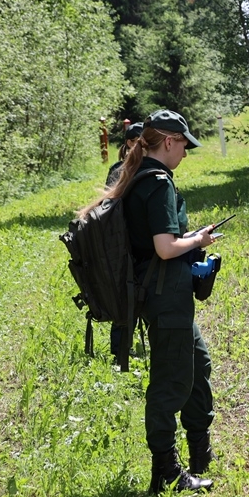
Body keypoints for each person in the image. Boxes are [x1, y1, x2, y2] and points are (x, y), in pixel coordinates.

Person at [80, 109, 218, 494]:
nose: (186, 153)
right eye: (184, 146)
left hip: (159, 291)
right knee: (169, 382)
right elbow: (164, 246)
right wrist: (199, 240)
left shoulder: (137, 176)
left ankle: (199, 453)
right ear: (169, 142)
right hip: (165, 295)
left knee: (197, 363)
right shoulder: (157, 183)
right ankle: (166, 471)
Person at [106, 121, 143, 359]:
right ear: (129, 142)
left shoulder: (147, 166)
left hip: (141, 239)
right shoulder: (118, 169)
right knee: (124, 295)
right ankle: (119, 353)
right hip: (121, 240)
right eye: (139, 139)